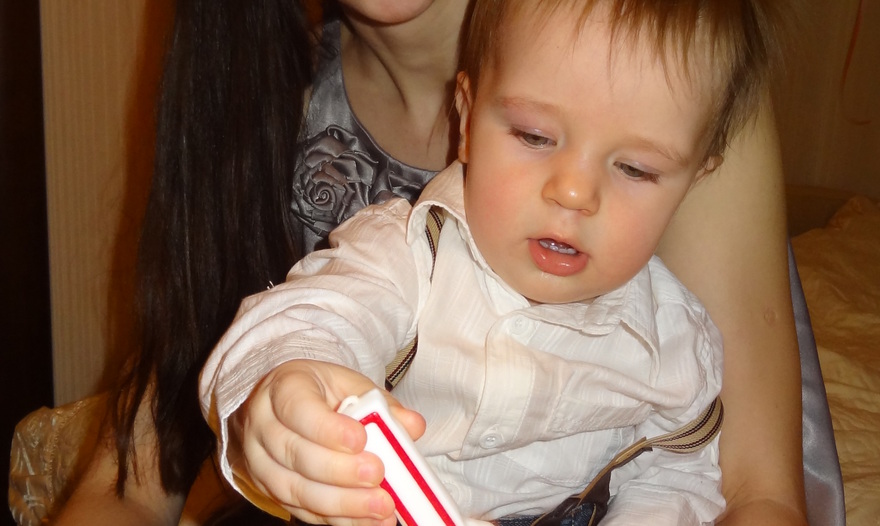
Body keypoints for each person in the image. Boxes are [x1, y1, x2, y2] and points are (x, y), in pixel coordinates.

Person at [49, 0, 836, 525]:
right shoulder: (412, 244)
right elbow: (310, 320)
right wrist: (285, 388)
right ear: (468, 113)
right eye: (532, 136)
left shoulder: (675, 324)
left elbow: (711, 482)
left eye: (635, 169)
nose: (574, 190)